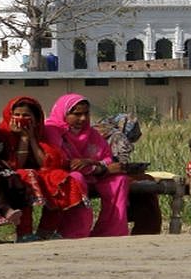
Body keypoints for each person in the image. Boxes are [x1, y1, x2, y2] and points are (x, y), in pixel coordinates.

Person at [0, 95, 88, 242]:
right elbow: (16, 165)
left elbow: (48, 163)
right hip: (12, 174)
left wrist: (31, 138)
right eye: (17, 115)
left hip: (39, 172)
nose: (21, 119)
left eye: (26, 116)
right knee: (26, 177)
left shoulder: (42, 132)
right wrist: (22, 139)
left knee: (59, 178)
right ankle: (24, 232)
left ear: (35, 118)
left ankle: (46, 231)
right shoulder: (3, 133)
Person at [44, 93, 130, 237]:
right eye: (77, 114)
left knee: (119, 180)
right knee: (76, 178)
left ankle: (111, 231)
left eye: (86, 114)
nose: (82, 119)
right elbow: (68, 163)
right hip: (62, 174)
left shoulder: (90, 133)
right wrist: (99, 167)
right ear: (64, 113)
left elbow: (107, 157)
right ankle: (75, 230)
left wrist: (93, 164)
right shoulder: (53, 130)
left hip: (93, 174)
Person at [95, 112, 163, 235]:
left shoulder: (94, 130)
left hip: (99, 173)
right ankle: (146, 228)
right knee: (147, 181)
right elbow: (121, 163)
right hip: (104, 175)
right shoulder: (118, 137)